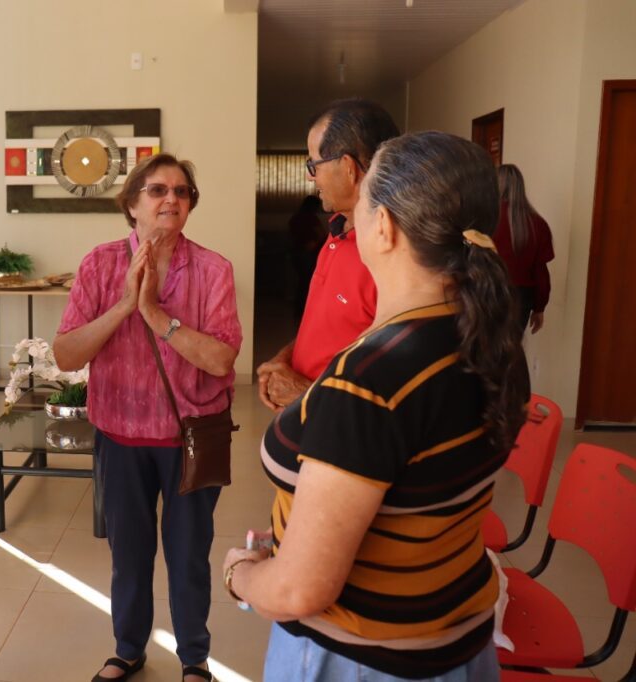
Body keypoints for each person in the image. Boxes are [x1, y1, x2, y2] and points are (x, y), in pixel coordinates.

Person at [222, 131, 530, 681]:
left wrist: (240, 575)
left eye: (362, 201)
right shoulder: (490, 340)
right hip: (458, 640)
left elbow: (299, 590)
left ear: (383, 225)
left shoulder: (369, 381)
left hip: (363, 660)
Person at [54, 153, 242, 682]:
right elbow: (66, 354)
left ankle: (194, 659)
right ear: (132, 204)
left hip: (190, 438)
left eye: (181, 192)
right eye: (157, 190)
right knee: (129, 555)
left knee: (189, 556)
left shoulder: (213, 270)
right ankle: (128, 649)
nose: (171, 200)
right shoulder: (99, 264)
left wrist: (156, 315)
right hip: (120, 436)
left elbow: (221, 359)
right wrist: (123, 306)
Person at [256, 99, 399, 412]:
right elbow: (328, 328)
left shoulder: (393, 257)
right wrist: (286, 358)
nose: (311, 177)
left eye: (314, 165)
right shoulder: (336, 231)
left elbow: (393, 397)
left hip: (340, 430)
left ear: (348, 167)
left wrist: (304, 394)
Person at [494, 163, 554, 337]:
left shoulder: (486, 219)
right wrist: (539, 308)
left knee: (483, 349)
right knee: (511, 348)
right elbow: (541, 273)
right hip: (521, 298)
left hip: (487, 293)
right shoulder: (539, 224)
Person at [287, 194, 326, 320]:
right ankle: (306, 312)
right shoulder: (311, 218)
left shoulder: (295, 218)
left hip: (295, 252)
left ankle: (298, 312)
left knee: (302, 282)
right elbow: (321, 234)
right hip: (308, 252)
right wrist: (315, 243)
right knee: (308, 283)